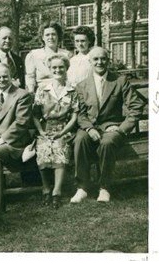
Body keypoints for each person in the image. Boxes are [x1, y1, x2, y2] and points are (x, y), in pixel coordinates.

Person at [70, 47, 144, 203]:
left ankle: (105, 187)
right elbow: (81, 114)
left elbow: (136, 105)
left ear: (108, 61)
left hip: (112, 126)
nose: (100, 62)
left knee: (107, 142)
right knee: (79, 140)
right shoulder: (82, 85)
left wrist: (122, 127)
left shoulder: (119, 80)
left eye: (103, 59)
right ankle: (82, 187)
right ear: (90, 62)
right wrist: (89, 128)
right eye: (95, 59)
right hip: (89, 126)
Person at [32, 54, 78, 209]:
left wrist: (63, 131)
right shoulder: (42, 89)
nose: (58, 70)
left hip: (64, 129)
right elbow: (36, 115)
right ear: (50, 70)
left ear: (66, 68)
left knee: (59, 146)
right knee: (43, 148)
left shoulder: (72, 90)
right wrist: (41, 131)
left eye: (61, 67)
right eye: (54, 67)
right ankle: (46, 188)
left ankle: (56, 192)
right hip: (45, 129)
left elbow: (74, 116)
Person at [0, 63, 34, 172]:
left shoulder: (22, 95)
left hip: (14, 144)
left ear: (10, 77)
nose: (2, 79)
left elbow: (21, 123)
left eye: (5, 76)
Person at [25, 21, 72, 93]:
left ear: (58, 36)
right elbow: (30, 77)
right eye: (47, 35)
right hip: (42, 94)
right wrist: (31, 93)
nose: (51, 37)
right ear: (43, 37)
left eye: (53, 34)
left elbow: (70, 77)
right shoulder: (34, 55)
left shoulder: (66, 55)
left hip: (62, 92)